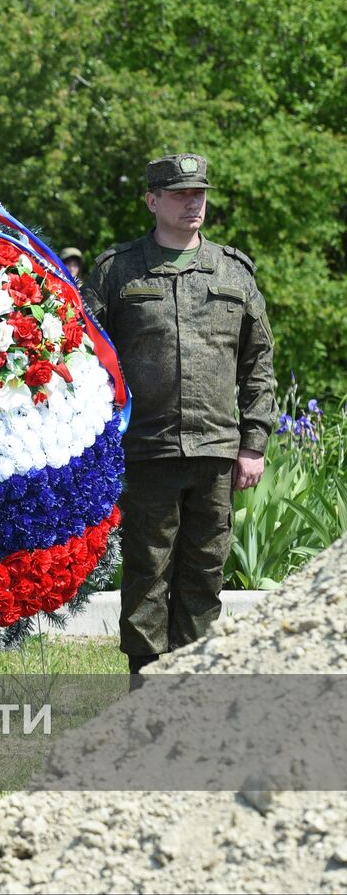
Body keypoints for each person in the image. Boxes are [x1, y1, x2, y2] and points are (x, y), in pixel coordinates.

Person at [81, 153, 275, 677]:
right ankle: (146, 683)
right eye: (181, 193)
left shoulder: (233, 270)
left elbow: (258, 361)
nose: (195, 202)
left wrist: (253, 442)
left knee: (205, 572)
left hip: (215, 450)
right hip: (146, 449)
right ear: (152, 200)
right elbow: (83, 358)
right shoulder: (117, 270)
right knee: (147, 571)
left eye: (200, 193)